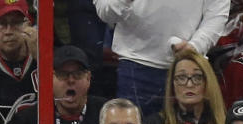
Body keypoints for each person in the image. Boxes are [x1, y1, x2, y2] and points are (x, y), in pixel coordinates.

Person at [94, 0, 229, 117]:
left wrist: (195, 47)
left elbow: (216, 14)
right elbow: (105, 12)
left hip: (189, 68)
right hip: (136, 66)